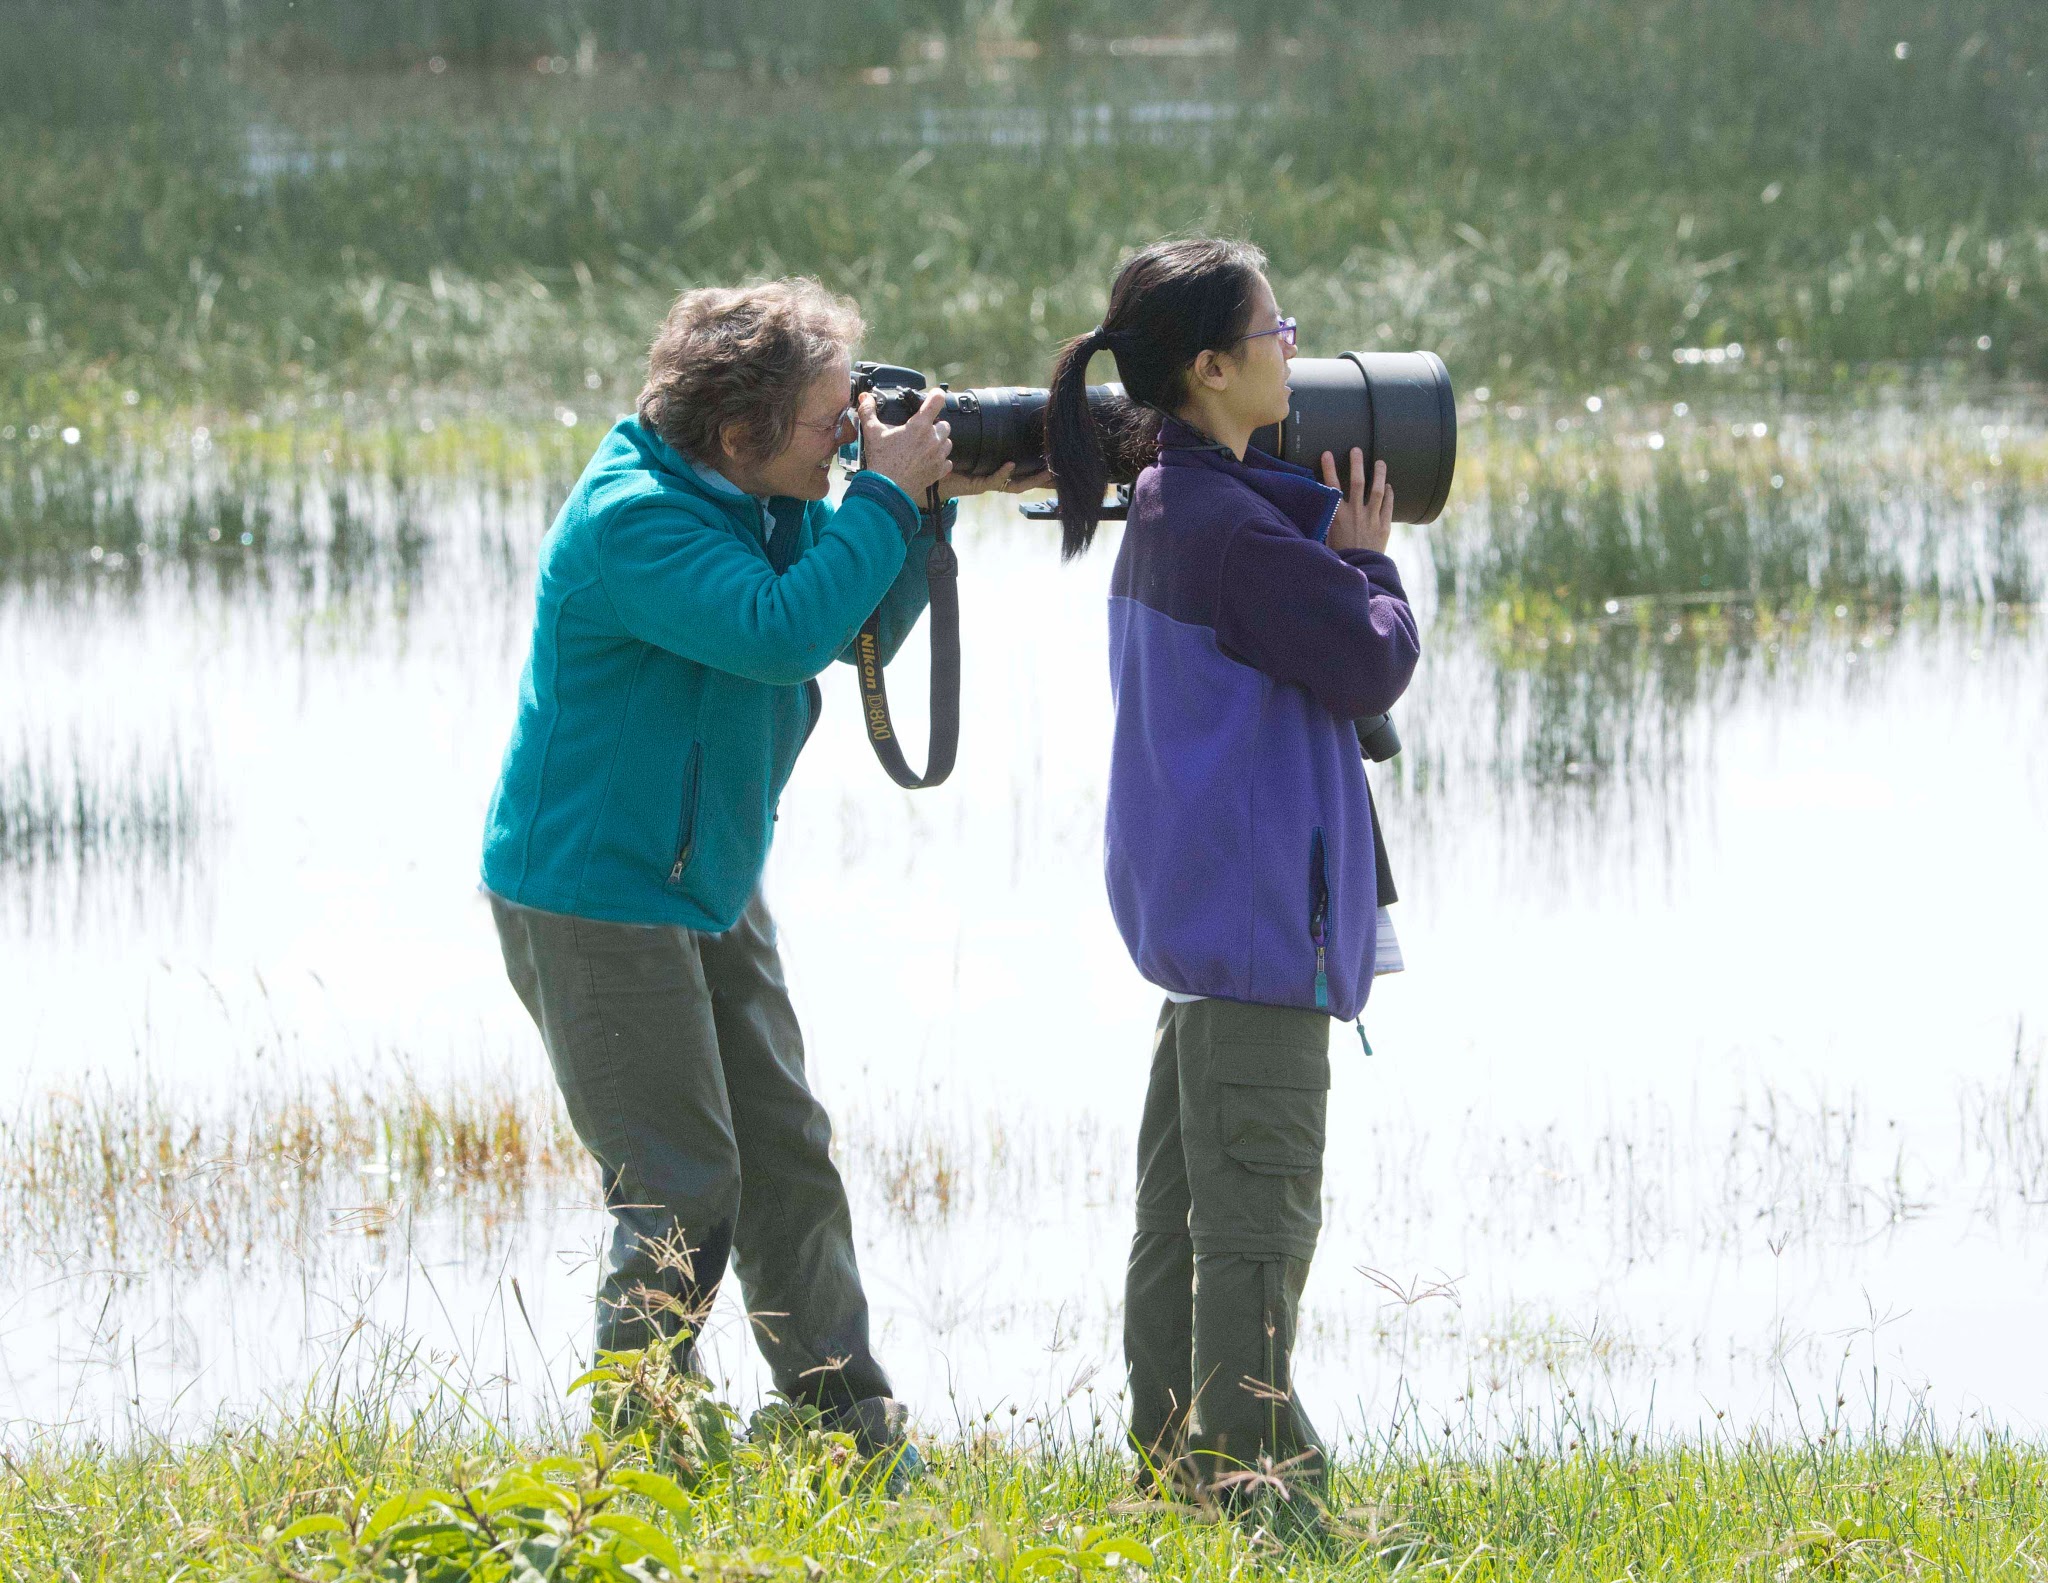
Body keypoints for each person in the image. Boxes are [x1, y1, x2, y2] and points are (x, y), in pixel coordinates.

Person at [480, 278, 1035, 1464]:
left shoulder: (745, 489)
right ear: (738, 431)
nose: (849, 433)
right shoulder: (637, 519)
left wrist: (912, 512)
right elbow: (780, 631)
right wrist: (880, 494)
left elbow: (835, 626)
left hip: (702, 869)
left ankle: (841, 1417)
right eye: (831, 417)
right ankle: (640, 1451)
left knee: (783, 1146)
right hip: (592, 891)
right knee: (678, 1182)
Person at [1044, 240, 1421, 1518]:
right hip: (1262, 934)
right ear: (1209, 368)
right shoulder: (1235, 537)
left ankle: (1170, 1478)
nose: (1292, 352)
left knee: (1182, 1228)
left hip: (1204, 934)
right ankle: (1270, 1504)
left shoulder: (1172, 504)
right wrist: (1368, 561)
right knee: (1255, 1239)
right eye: (1276, 333)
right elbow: (1369, 664)